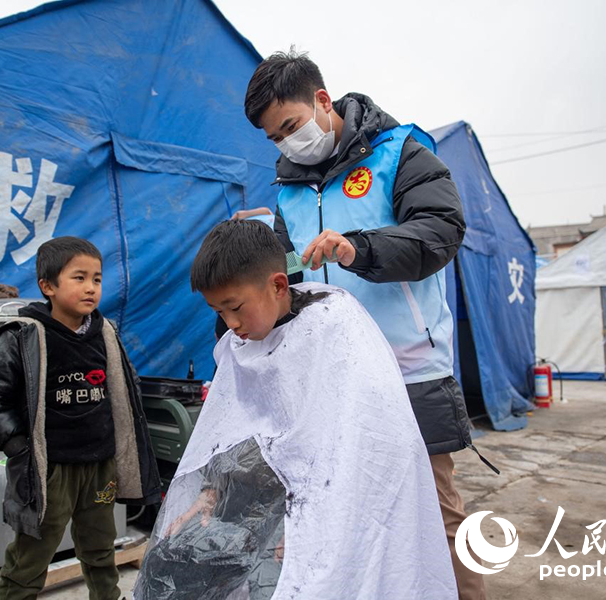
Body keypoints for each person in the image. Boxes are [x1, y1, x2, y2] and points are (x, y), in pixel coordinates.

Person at [237, 50, 489, 600]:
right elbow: (292, 275)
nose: (285, 144)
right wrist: (255, 257)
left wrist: (359, 249)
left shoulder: (402, 152)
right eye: (274, 138)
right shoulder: (288, 191)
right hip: (333, 376)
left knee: (438, 514)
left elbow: (440, 231)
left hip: (407, 369)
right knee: (348, 515)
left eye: (290, 127)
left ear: (323, 102)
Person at [134, 220, 457, 599]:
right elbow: (233, 432)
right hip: (267, 499)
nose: (230, 324)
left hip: (339, 504)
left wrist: (313, 521)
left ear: (277, 285)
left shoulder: (334, 328)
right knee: (168, 566)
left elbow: (364, 448)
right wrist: (211, 491)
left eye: (235, 308)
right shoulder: (241, 343)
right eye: (218, 311)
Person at [0, 236, 162, 600]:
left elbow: (126, 387)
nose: (91, 287)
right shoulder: (24, 336)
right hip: (50, 471)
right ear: (48, 286)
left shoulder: (106, 334)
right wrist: (17, 445)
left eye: (97, 278)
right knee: (31, 554)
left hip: (99, 466)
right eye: (79, 278)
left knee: (100, 547)